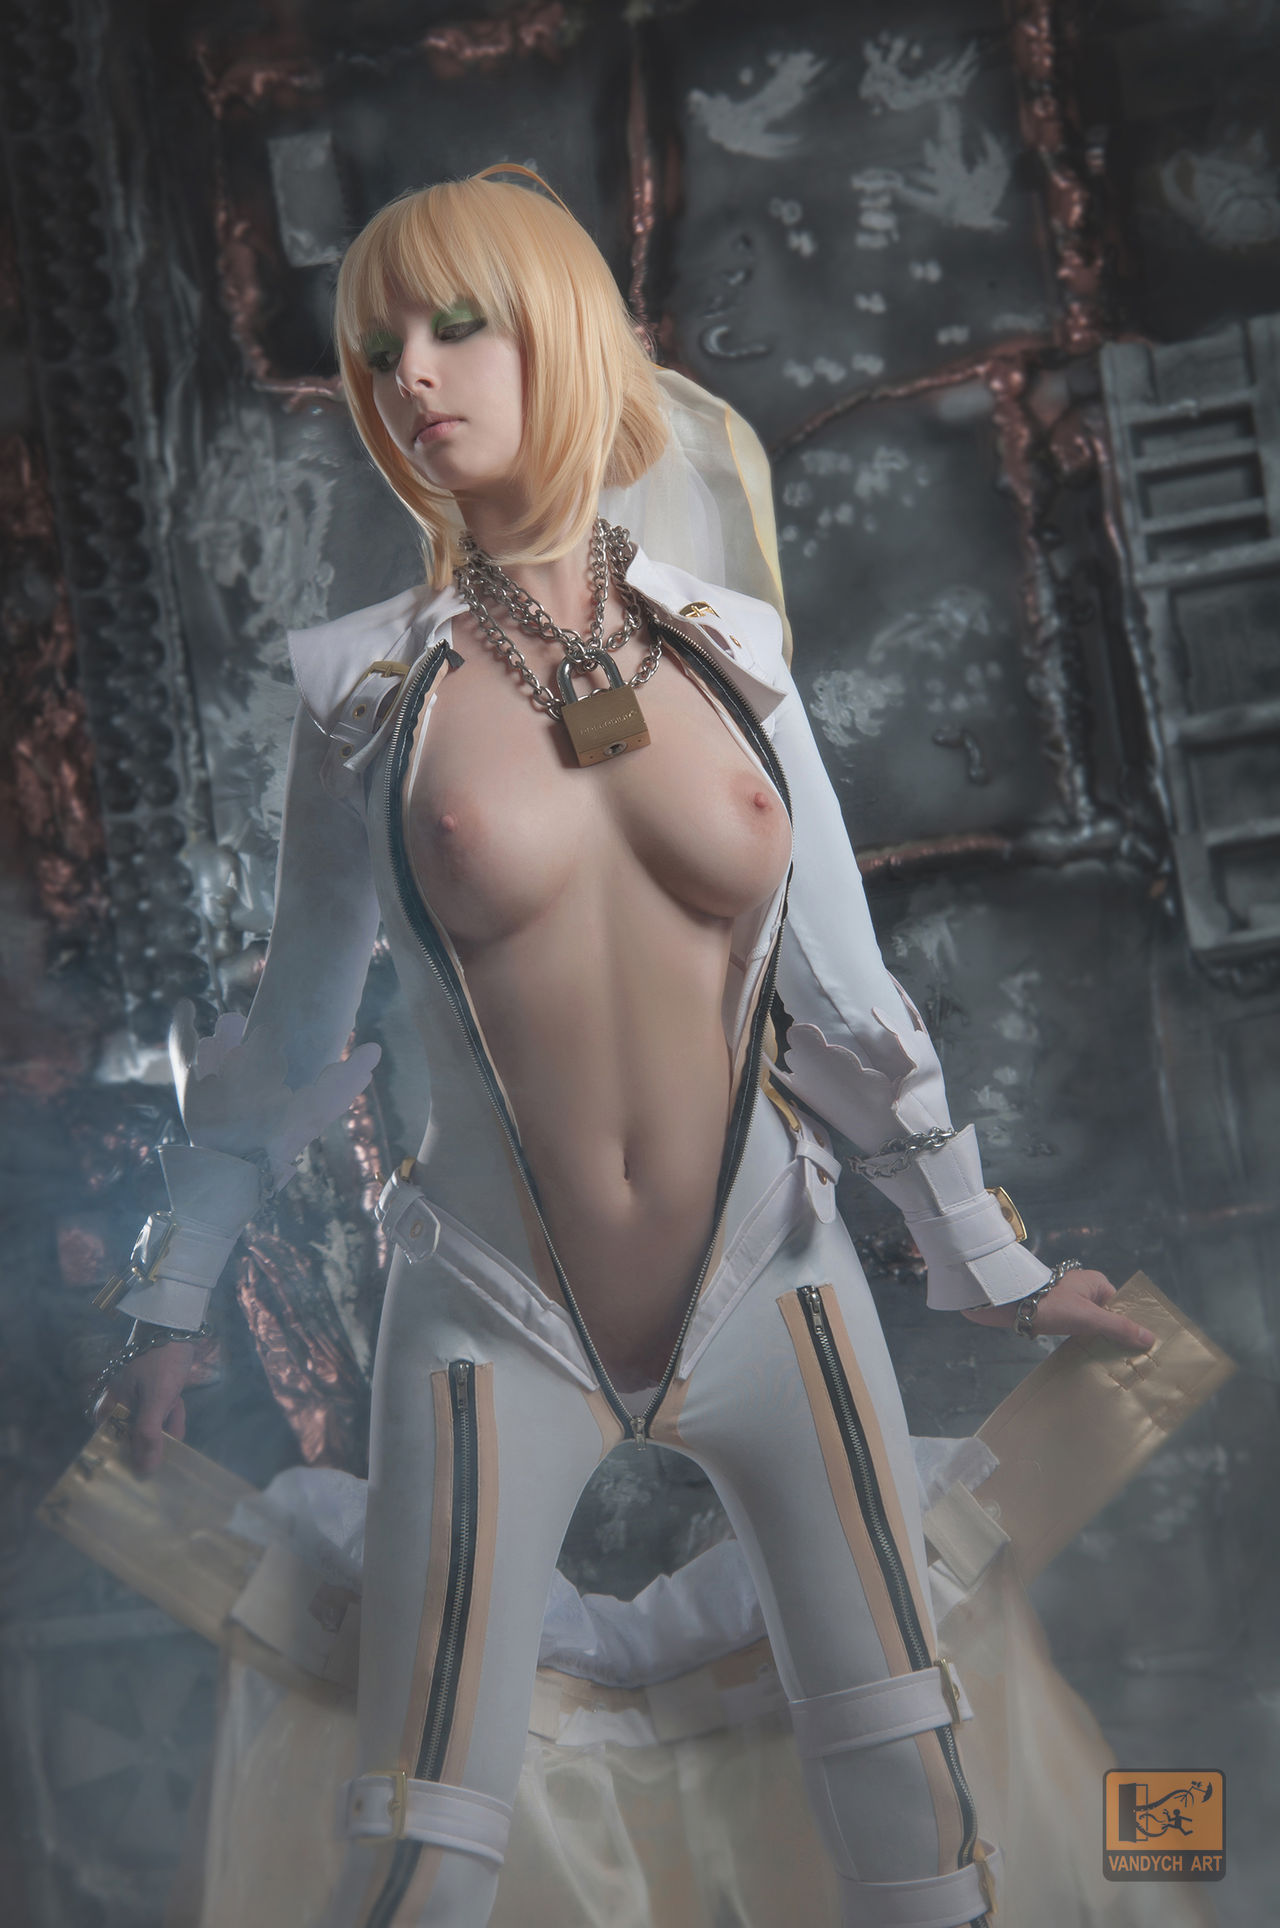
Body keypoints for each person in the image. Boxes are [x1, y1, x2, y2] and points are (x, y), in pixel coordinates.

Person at [93, 168, 1155, 1928]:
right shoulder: (362, 698)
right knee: (427, 1832)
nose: (411, 375)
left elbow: (845, 994)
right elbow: (291, 1034)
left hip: (776, 1273)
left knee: (911, 1784)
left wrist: (992, 1261)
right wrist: (170, 1298)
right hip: (489, 1301)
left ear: (567, 335)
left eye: (459, 325)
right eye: (377, 347)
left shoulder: (735, 656)